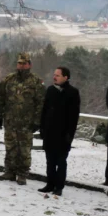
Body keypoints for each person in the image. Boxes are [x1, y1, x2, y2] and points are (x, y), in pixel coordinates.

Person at [0, 52, 44, 185]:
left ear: (29, 65)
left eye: (24, 63)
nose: (21, 66)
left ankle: (22, 174)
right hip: (10, 120)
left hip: (26, 122)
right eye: (19, 63)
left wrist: (37, 121)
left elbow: (40, 103)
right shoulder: (9, 79)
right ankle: (9, 172)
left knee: (24, 149)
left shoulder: (35, 81)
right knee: (10, 147)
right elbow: (0, 97)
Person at [38, 66, 81, 195]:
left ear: (65, 77)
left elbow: (74, 116)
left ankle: (59, 187)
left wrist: (70, 134)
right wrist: (42, 129)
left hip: (63, 134)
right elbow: (44, 111)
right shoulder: (50, 90)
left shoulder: (73, 93)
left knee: (61, 161)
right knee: (50, 160)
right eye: (54, 74)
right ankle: (50, 184)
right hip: (50, 132)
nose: (54, 77)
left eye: (57, 75)